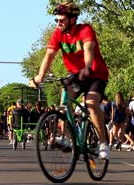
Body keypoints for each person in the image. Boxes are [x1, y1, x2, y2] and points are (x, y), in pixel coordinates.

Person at [33, 2, 110, 159]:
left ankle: (103, 143)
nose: (58, 23)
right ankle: (69, 139)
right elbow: (49, 56)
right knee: (65, 105)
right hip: (75, 75)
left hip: (95, 73)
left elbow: (88, 49)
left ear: (73, 19)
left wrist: (87, 67)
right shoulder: (58, 34)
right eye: (57, 20)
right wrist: (39, 76)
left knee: (91, 104)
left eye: (62, 20)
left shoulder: (85, 30)